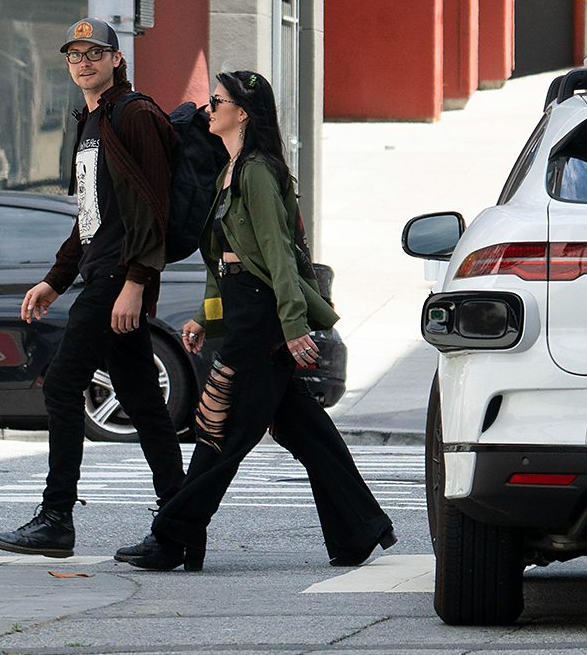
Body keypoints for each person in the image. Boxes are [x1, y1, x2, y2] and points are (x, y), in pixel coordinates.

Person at [116, 69, 395, 572]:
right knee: (305, 429)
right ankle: (361, 528)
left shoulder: (257, 172)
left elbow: (278, 257)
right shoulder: (229, 169)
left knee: (218, 425)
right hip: (245, 304)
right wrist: (206, 315)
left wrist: (293, 327)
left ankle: (173, 537)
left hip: (264, 312)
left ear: (241, 112)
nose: (208, 109)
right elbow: (223, 258)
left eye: (217, 100)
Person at [0, 18, 186, 558]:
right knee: (144, 401)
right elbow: (91, 215)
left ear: (116, 59)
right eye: (75, 55)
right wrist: (55, 279)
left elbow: (155, 204)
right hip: (103, 271)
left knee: (62, 384)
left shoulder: (134, 113)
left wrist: (137, 283)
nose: (84, 62)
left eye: (95, 52)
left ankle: (56, 520)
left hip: (121, 276)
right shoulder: (92, 119)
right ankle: (182, 528)